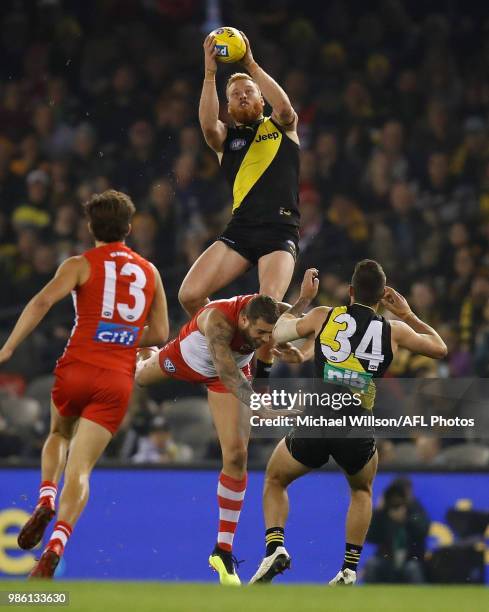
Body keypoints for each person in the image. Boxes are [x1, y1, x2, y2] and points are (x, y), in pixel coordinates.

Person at [0, 190, 169, 578]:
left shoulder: (79, 264)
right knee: (82, 468)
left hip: (77, 365)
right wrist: (122, 335)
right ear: (129, 228)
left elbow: (42, 302)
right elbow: (160, 331)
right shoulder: (150, 271)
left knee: (58, 432)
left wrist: (8, 348)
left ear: (90, 226)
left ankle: (45, 496)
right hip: (116, 378)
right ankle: (58, 540)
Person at [249, 261, 447, 585]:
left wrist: (303, 300)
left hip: (316, 419)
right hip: (357, 425)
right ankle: (349, 568)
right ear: (383, 296)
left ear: (351, 292)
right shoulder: (393, 331)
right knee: (361, 490)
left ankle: (275, 547)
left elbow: (278, 330)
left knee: (274, 479)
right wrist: (408, 314)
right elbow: (440, 348)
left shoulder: (323, 316)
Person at [135, 288, 305, 586]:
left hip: (228, 380)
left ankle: (222, 551)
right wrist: (259, 407)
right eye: (261, 333)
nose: (265, 340)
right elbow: (227, 372)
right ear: (243, 320)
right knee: (140, 377)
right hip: (189, 361)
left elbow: (295, 320)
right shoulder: (217, 321)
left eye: (269, 334)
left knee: (237, 457)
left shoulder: (269, 313)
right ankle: (143, 348)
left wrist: (305, 299)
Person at [178, 30, 300, 390]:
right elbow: (206, 125)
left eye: (248, 92)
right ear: (228, 108)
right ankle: (226, 344)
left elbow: (286, 108)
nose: (243, 96)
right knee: (188, 296)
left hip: (279, 232)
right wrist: (210, 74)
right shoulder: (226, 140)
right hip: (241, 231)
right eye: (235, 95)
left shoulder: (279, 126)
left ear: (260, 100)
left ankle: (259, 385)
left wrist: (249, 65)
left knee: (267, 308)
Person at [364, 479, 430, 583]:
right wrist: (377, 512)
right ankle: (370, 598)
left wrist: (406, 520)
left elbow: (423, 532)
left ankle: (418, 598)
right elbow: (369, 537)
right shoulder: (383, 512)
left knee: (413, 569)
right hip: (387, 560)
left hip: (411, 559)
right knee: (372, 564)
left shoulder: (415, 508)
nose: (397, 503)